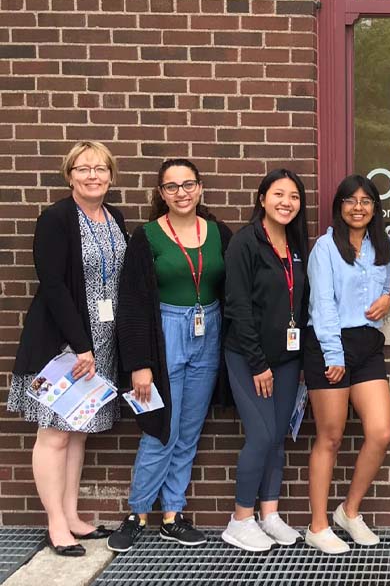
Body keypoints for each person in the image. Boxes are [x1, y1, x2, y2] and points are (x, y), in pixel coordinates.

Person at [7, 141, 127, 556]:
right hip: (65, 346)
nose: (92, 175)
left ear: (111, 175)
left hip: (102, 342)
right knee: (55, 433)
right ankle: (56, 524)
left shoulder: (115, 218)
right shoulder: (56, 218)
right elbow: (53, 286)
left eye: (100, 168)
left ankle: (73, 514)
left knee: (79, 433)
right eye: (83, 168)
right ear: (69, 175)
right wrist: (81, 345)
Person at [107, 159, 231, 552]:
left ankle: (172, 513)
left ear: (200, 188)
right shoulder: (146, 238)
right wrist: (139, 366)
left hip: (207, 331)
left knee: (189, 430)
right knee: (161, 427)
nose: (181, 192)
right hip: (164, 335)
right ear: (161, 194)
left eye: (188, 184)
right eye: (172, 186)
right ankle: (138, 512)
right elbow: (131, 304)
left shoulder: (218, 234)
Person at [303, 174, 390, 554]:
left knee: (380, 432)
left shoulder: (386, 244)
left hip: (368, 344)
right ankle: (318, 526)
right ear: (339, 206)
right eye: (350, 200)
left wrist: (387, 298)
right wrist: (334, 355)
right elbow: (322, 305)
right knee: (331, 437)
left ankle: (349, 511)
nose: (358, 207)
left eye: (366, 200)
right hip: (329, 344)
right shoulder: (324, 249)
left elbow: (386, 286)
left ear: (375, 207)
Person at [220, 169, 310, 552]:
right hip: (248, 357)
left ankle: (269, 514)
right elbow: (237, 306)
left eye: (293, 196)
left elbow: (299, 303)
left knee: (278, 437)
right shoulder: (245, 243)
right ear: (262, 199)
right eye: (278, 194)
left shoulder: (296, 244)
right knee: (260, 435)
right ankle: (240, 519)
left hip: (288, 358)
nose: (286, 202)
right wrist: (258, 364)